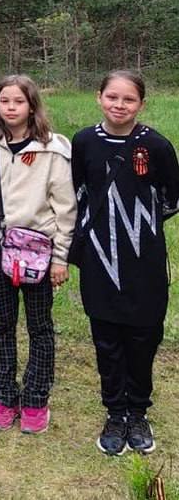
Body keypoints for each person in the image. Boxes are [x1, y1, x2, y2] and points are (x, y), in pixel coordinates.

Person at [0, 75, 76, 434]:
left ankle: (37, 398)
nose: (10, 107)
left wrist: (60, 257)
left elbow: (65, 207)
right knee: (2, 325)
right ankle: (5, 396)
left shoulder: (52, 151)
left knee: (40, 327)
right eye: (4, 101)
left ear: (32, 106)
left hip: (38, 253)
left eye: (18, 101)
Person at [71, 70, 179, 456]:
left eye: (128, 99)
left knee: (143, 338)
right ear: (99, 96)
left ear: (141, 104)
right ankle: (115, 412)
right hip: (100, 261)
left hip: (145, 263)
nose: (119, 105)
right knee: (107, 339)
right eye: (112, 97)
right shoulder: (83, 142)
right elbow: (77, 192)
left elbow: (171, 198)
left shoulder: (157, 146)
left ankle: (139, 411)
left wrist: (137, 232)